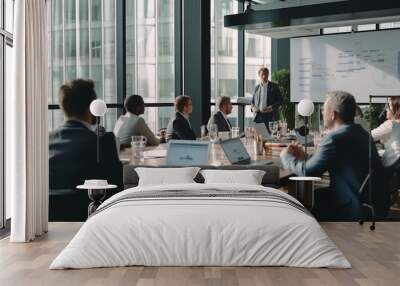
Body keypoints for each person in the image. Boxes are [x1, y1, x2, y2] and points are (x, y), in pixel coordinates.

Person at [280, 91, 381, 221]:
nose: (322, 113)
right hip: (366, 200)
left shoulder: (334, 138)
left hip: (348, 204)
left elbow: (307, 172)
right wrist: (305, 158)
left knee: (296, 201)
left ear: (333, 114)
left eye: (323, 110)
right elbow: (340, 161)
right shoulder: (363, 133)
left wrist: (286, 157)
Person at [49, 79, 123, 221]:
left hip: (50, 220)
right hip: (89, 219)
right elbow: (116, 189)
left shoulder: (45, 140)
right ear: (92, 106)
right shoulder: (103, 141)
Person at [372, 97, 400, 165]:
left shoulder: (391, 124)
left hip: (393, 167)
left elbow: (367, 136)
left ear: (397, 109)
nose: (386, 109)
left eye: (389, 106)